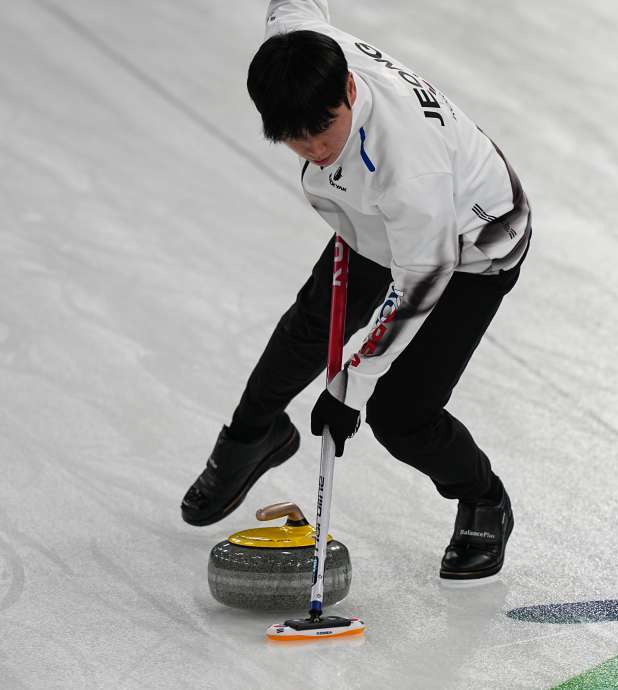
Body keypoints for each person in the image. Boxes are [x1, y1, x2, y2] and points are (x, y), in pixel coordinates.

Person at [181, 0, 531, 581]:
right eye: (293, 138)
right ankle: (254, 435)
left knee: (400, 413)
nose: (313, 149)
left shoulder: (408, 167)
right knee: (308, 330)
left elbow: (422, 279)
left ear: (348, 87)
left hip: (473, 250)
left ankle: (483, 496)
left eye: (322, 130)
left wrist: (348, 385)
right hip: (374, 222)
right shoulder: (299, 45)